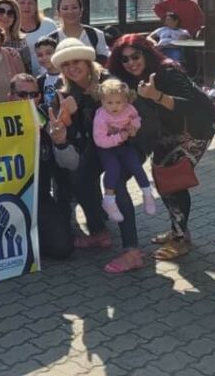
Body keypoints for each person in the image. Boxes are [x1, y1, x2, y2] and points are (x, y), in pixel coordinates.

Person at [109, 34, 215, 259]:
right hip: (167, 133)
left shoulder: (167, 71)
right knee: (162, 179)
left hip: (195, 130)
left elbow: (193, 105)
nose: (131, 63)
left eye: (135, 56)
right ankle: (178, 230)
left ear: (146, 53)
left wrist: (156, 95)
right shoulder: (129, 79)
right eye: (125, 60)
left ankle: (180, 239)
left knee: (174, 181)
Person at [49, 38, 142, 274]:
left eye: (77, 61)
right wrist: (65, 121)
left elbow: (133, 112)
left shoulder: (109, 83)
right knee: (79, 178)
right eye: (66, 64)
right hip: (96, 147)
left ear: (88, 61)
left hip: (126, 143)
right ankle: (99, 232)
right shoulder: (64, 94)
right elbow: (64, 132)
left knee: (115, 184)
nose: (73, 68)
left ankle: (132, 251)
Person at [10, 73, 77, 260]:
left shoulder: (48, 120)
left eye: (34, 94)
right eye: (22, 95)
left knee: (63, 248)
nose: (29, 100)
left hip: (38, 197)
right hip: (3, 198)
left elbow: (71, 164)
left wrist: (61, 142)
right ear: (10, 96)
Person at [93, 79, 157, 222]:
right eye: (109, 103)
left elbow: (136, 118)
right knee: (113, 170)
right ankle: (109, 201)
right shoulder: (101, 117)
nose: (114, 107)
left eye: (118, 102)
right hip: (107, 149)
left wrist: (134, 128)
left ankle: (147, 193)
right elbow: (100, 140)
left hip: (125, 145)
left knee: (136, 167)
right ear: (102, 101)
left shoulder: (129, 109)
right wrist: (119, 136)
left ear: (125, 101)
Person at [53, 0, 110, 65]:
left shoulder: (95, 34)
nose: (70, 12)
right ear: (58, 13)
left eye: (74, 7)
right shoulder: (53, 38)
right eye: (65, 8)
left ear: (81, 11)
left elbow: (105, 59)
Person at [15, 0, 59, 75]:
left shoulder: (49, 25)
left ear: (36, 6)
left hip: (47, 77)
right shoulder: (11, 27)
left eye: (30, 3)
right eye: (22, 3)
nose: (26, 6)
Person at [0, 0, 31, 69]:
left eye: (10, 13)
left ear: (15, 18)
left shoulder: (21, 43)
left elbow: (28, 72)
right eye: (1, 11)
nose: (5, 16)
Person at [34, 36, 61, 112]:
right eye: (40, 55)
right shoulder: (39, 81)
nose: (44, 57)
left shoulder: (68, 76)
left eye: (48, 53)